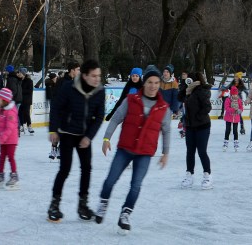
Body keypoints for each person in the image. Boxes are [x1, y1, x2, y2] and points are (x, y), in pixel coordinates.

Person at [94, 67, 170, 234]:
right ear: (145, 82)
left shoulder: (163, 107)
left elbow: (166, 131)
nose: (153, 86)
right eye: (150, 82)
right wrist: (106, 139)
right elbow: (115, 120)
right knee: (110, 180)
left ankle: (125, 214)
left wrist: (165, 153)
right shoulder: (131, 99)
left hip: (145, 153)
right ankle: (103, 203)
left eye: (157, 83)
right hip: (125, 149)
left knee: (135, 186)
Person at [47, 59, 105, 223]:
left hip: (84, 135)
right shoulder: (69, 87)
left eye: (98, 75)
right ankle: (54, 204)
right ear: (84, 76)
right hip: (66, 133)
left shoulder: (99, 91)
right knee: (65, 169)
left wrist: (89, 137)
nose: (97, 79)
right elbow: (56, 108)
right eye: (93, 76)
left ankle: (82, 204)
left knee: (86, 168)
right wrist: (54, 129)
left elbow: (99, 117)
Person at [179, 71, 211, 189]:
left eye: (190, 79)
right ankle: (189, 175)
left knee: (202, 151)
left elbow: (207, 107)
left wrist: (197, 116)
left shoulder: (202, 90)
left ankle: (207, 176)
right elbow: (179, 97)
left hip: (202, 125)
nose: (189, 80)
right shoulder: (188, 91)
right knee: (190, 151)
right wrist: (185, 87)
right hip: (190, 126)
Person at [49, 61, 81, 161]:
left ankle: (59, 149)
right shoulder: (62, 81)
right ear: (72, 70)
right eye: (78, 70)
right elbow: (56, 97)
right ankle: (54, 148)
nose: (79, 72)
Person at [223, 86, 244, 151]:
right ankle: (226, 143)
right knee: (228, 130)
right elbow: (226, 108)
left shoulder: (239, 100)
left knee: (235, 131)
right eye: (233, 94)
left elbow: (241, 108)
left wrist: (238, 110)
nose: (235, 95)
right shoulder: (228, 99)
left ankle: (236, 143)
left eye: (236, 94)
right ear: (231, 94)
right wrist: (233, 110)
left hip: (236, 118)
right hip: (228, 117)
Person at [20, 67, 34, 134]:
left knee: (27, 113)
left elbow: (30, 91)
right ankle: (22, 126)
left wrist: (20, 91)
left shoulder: (29, 81)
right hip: (20, 99)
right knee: (20, 113)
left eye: (20, 72)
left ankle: (29, 126)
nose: (19, 74)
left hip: (27, 100)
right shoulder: (19, 80)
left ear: (23, 74)